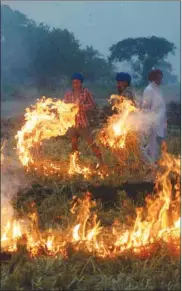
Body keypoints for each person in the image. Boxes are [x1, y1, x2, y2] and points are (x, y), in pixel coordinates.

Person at [63, 73, 104, 168]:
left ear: (81, 83)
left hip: (83, 123)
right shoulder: (68, 93)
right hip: (72, 124)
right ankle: (74, 165)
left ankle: (102, 163)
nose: (75, 85)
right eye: (73, 83)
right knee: (74, 144)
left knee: (92, 143)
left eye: (77, 83)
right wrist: (69, 108)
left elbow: (92, 105)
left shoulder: (86, 92)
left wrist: (82, 107)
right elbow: (64, 105)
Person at [141, 69, 167, 164]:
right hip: (152, 123)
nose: (161, 80)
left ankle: (152, 164)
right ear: (154, 78)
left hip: (160, 123)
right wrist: (149, 122)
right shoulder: (149, 90)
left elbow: (161, 108)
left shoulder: (157, 90)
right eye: (159, 78)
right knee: (152, 147)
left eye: (161, 78)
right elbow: (145, 108)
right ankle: (150, 165)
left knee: (156, 147)